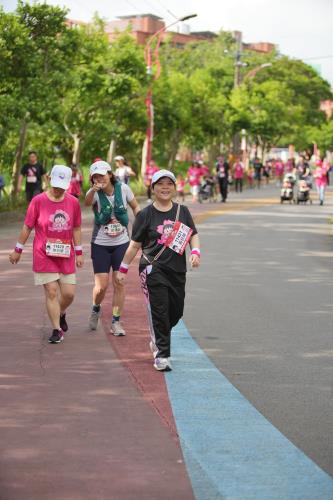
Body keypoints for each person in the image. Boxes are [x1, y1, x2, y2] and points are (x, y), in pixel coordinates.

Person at [116, 169, 200, 372]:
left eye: (169, 184)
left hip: (177, 271)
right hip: (153, 269)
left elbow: (193, 235)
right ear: (153, 188)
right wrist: (123, 268)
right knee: (160, 311)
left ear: (174, 187)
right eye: (160, 184)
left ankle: (158, 335)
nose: (165, 187)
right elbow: (134, 245)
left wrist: (195, 251)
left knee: (175, 312)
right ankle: (162, 355)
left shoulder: (182, 211)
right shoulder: (145, 215)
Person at [9, 165, 83, 344]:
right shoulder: (38, 201)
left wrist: (79, 252)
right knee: (51, 292)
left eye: (62, 186)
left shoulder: (73, 202)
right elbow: (27, 226)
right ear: (49, 179)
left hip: (66, 254)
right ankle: (57, 330)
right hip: (44, 254)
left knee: (69, 294)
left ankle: (61, 312)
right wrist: (18, 249)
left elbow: (76, 227)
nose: (58, 190)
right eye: (56, 185)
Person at [85, 160, 140, 336]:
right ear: (92, 179)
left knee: (119, 281)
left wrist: (142, 223)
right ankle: (96, 308)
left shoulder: (123, 189)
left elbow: (135, 206)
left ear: (110, 174)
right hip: (100, 244)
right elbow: (86, 203)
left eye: (103, 174)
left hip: (121, 243)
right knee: (101, 286)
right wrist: (93, 190)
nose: (100, 178)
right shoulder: (94, 193)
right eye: (96, 176)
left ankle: (116, 322)